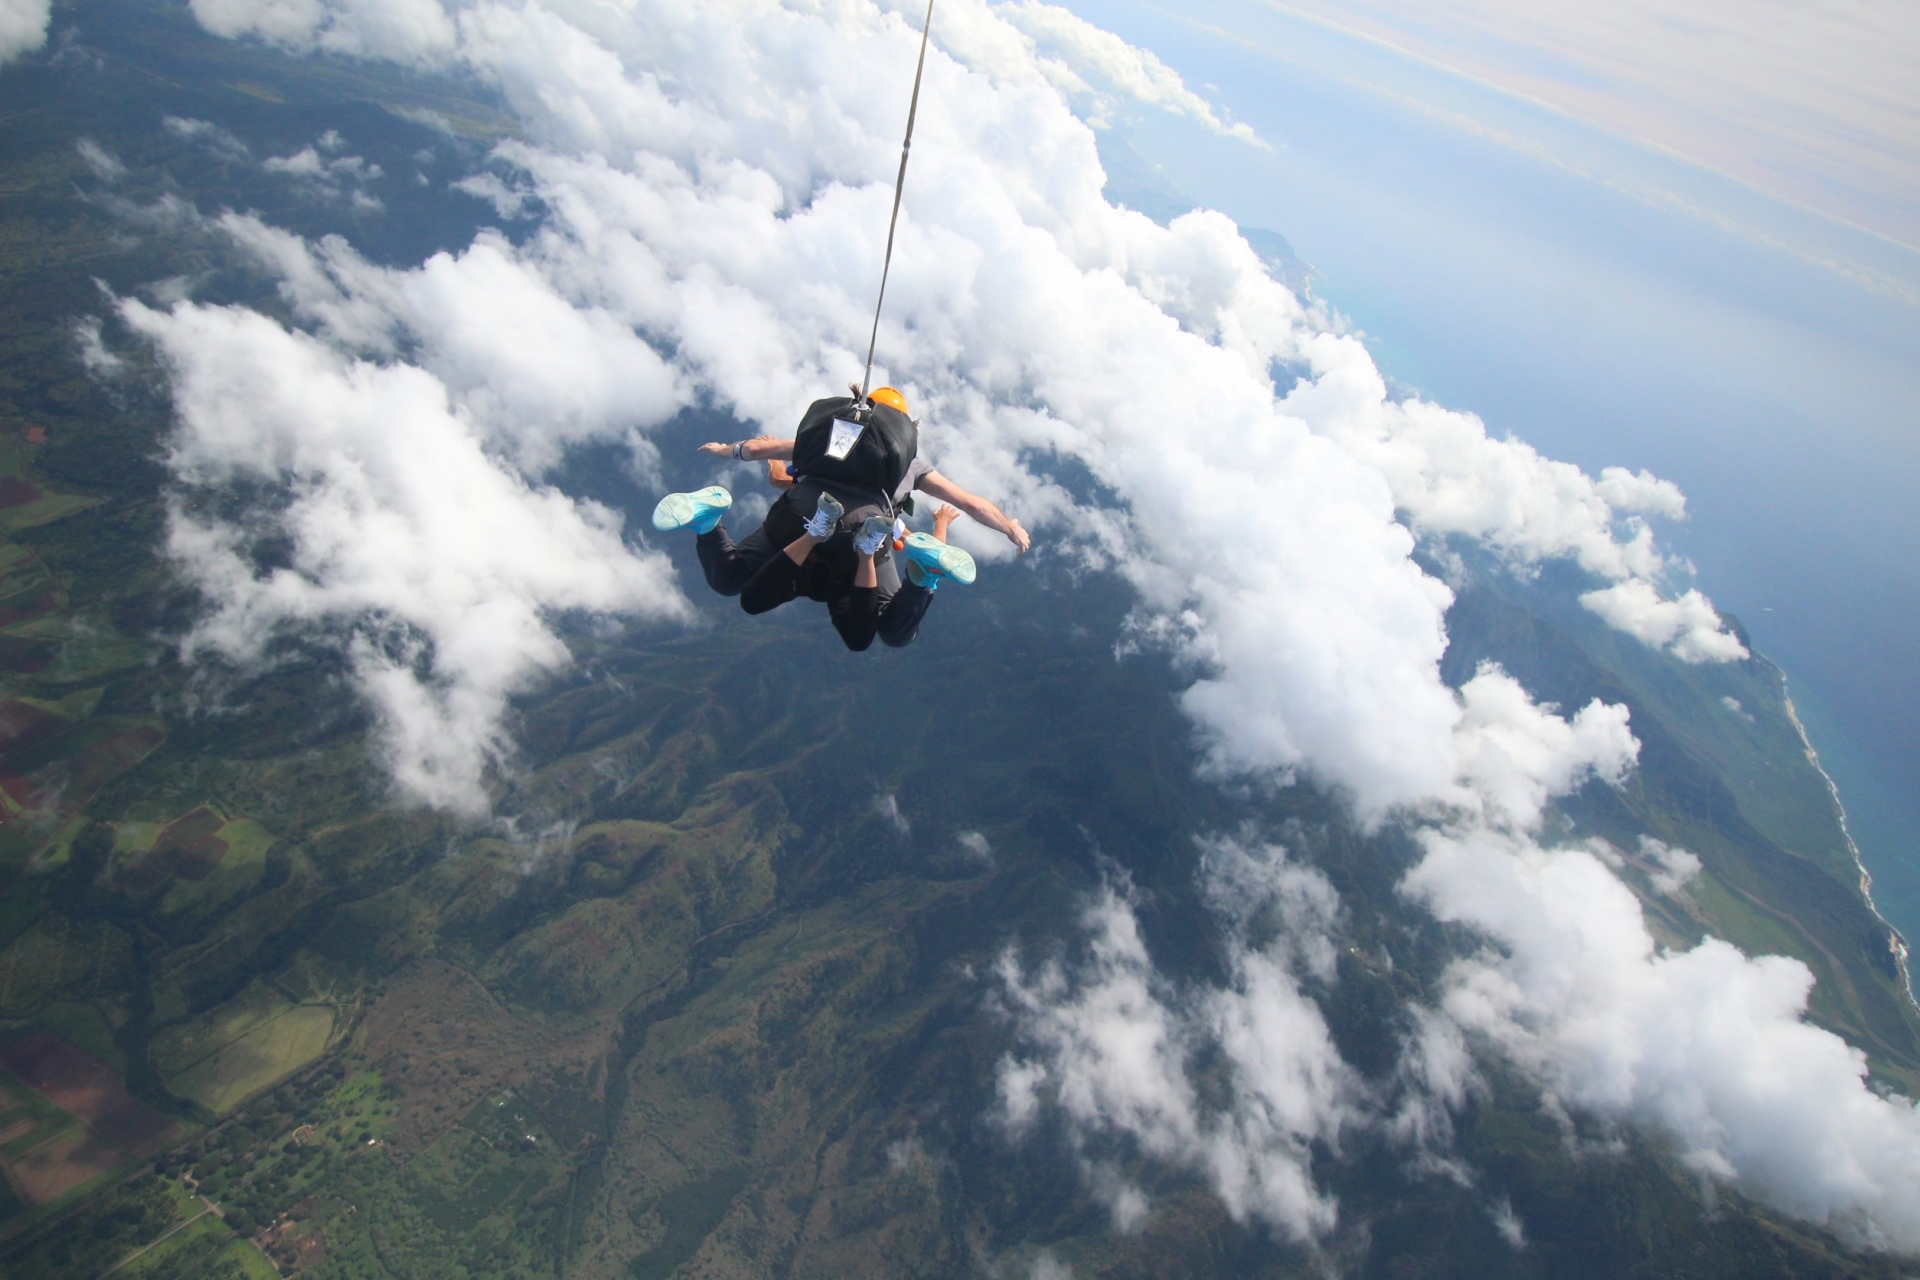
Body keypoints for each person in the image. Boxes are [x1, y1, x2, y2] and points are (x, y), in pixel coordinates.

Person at [653, 387, 1019, 648]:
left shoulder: (832, 437)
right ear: (906, 428)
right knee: (893, 631)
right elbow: (973, 504)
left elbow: (768, 458)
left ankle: (708, 521)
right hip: (864, 529)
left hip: (801, 511)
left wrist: (728, 451)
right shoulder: (911, 464)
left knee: (731, 578)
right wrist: (1008, 527)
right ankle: (921, 577)